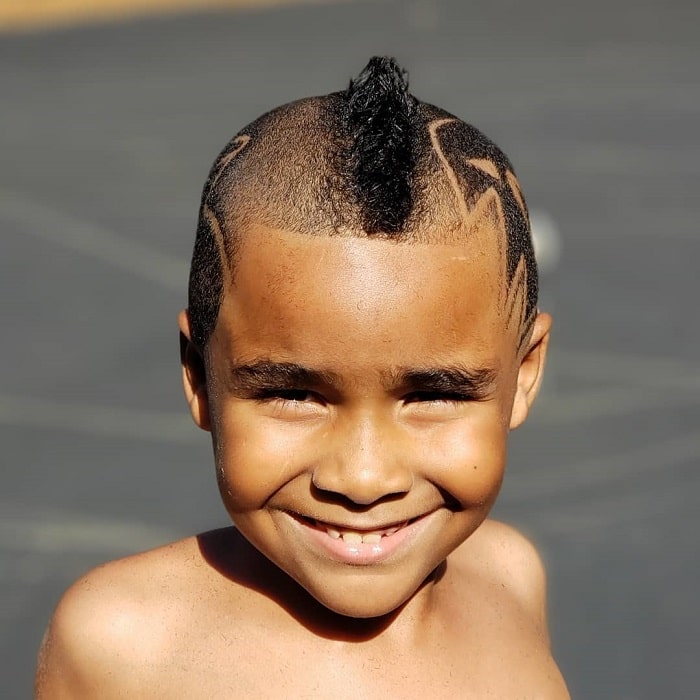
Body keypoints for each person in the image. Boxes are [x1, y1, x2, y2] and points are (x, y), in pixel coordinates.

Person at [35, 56, 569, 698]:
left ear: (526, 371)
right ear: (200, 376)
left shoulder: (509, 578)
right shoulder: (124, 647)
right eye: (293, 394)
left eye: (435, 394)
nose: (364, 479)